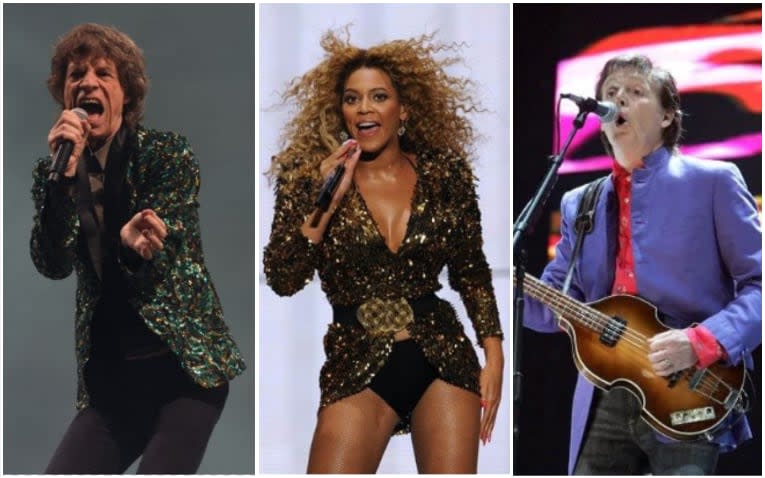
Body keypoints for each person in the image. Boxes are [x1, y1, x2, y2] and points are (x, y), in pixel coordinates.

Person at [263, 29, 504, 473]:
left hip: (442, 353)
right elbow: (283, 278)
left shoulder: (444, 174)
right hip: (356, 357)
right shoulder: (307, 178)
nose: (364, 109)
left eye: (378, 97)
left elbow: (470, 269)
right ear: (341, 112)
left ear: (403, 110)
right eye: (352, 99)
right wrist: (326, 201)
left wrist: (494, 354)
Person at [521, 54, 761, 475]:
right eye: (610, 94)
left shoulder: (714, 182)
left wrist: (703, 341)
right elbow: (550, 305)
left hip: (688, 386)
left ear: (668, 114)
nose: (619, 101)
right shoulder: (581, 202)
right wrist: (491, 290)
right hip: (604, 393)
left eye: (635, 92)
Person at [30, 23, 246, 474]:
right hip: (114, 383)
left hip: (183, 374)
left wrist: (132, 250)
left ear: (125, 94)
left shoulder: (165, 155)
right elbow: (51, 263)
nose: (87, 82)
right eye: (76, 75)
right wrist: (63, 186)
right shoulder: (54, 174)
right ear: (63, 95)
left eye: (103, 73)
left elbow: (170, 250)